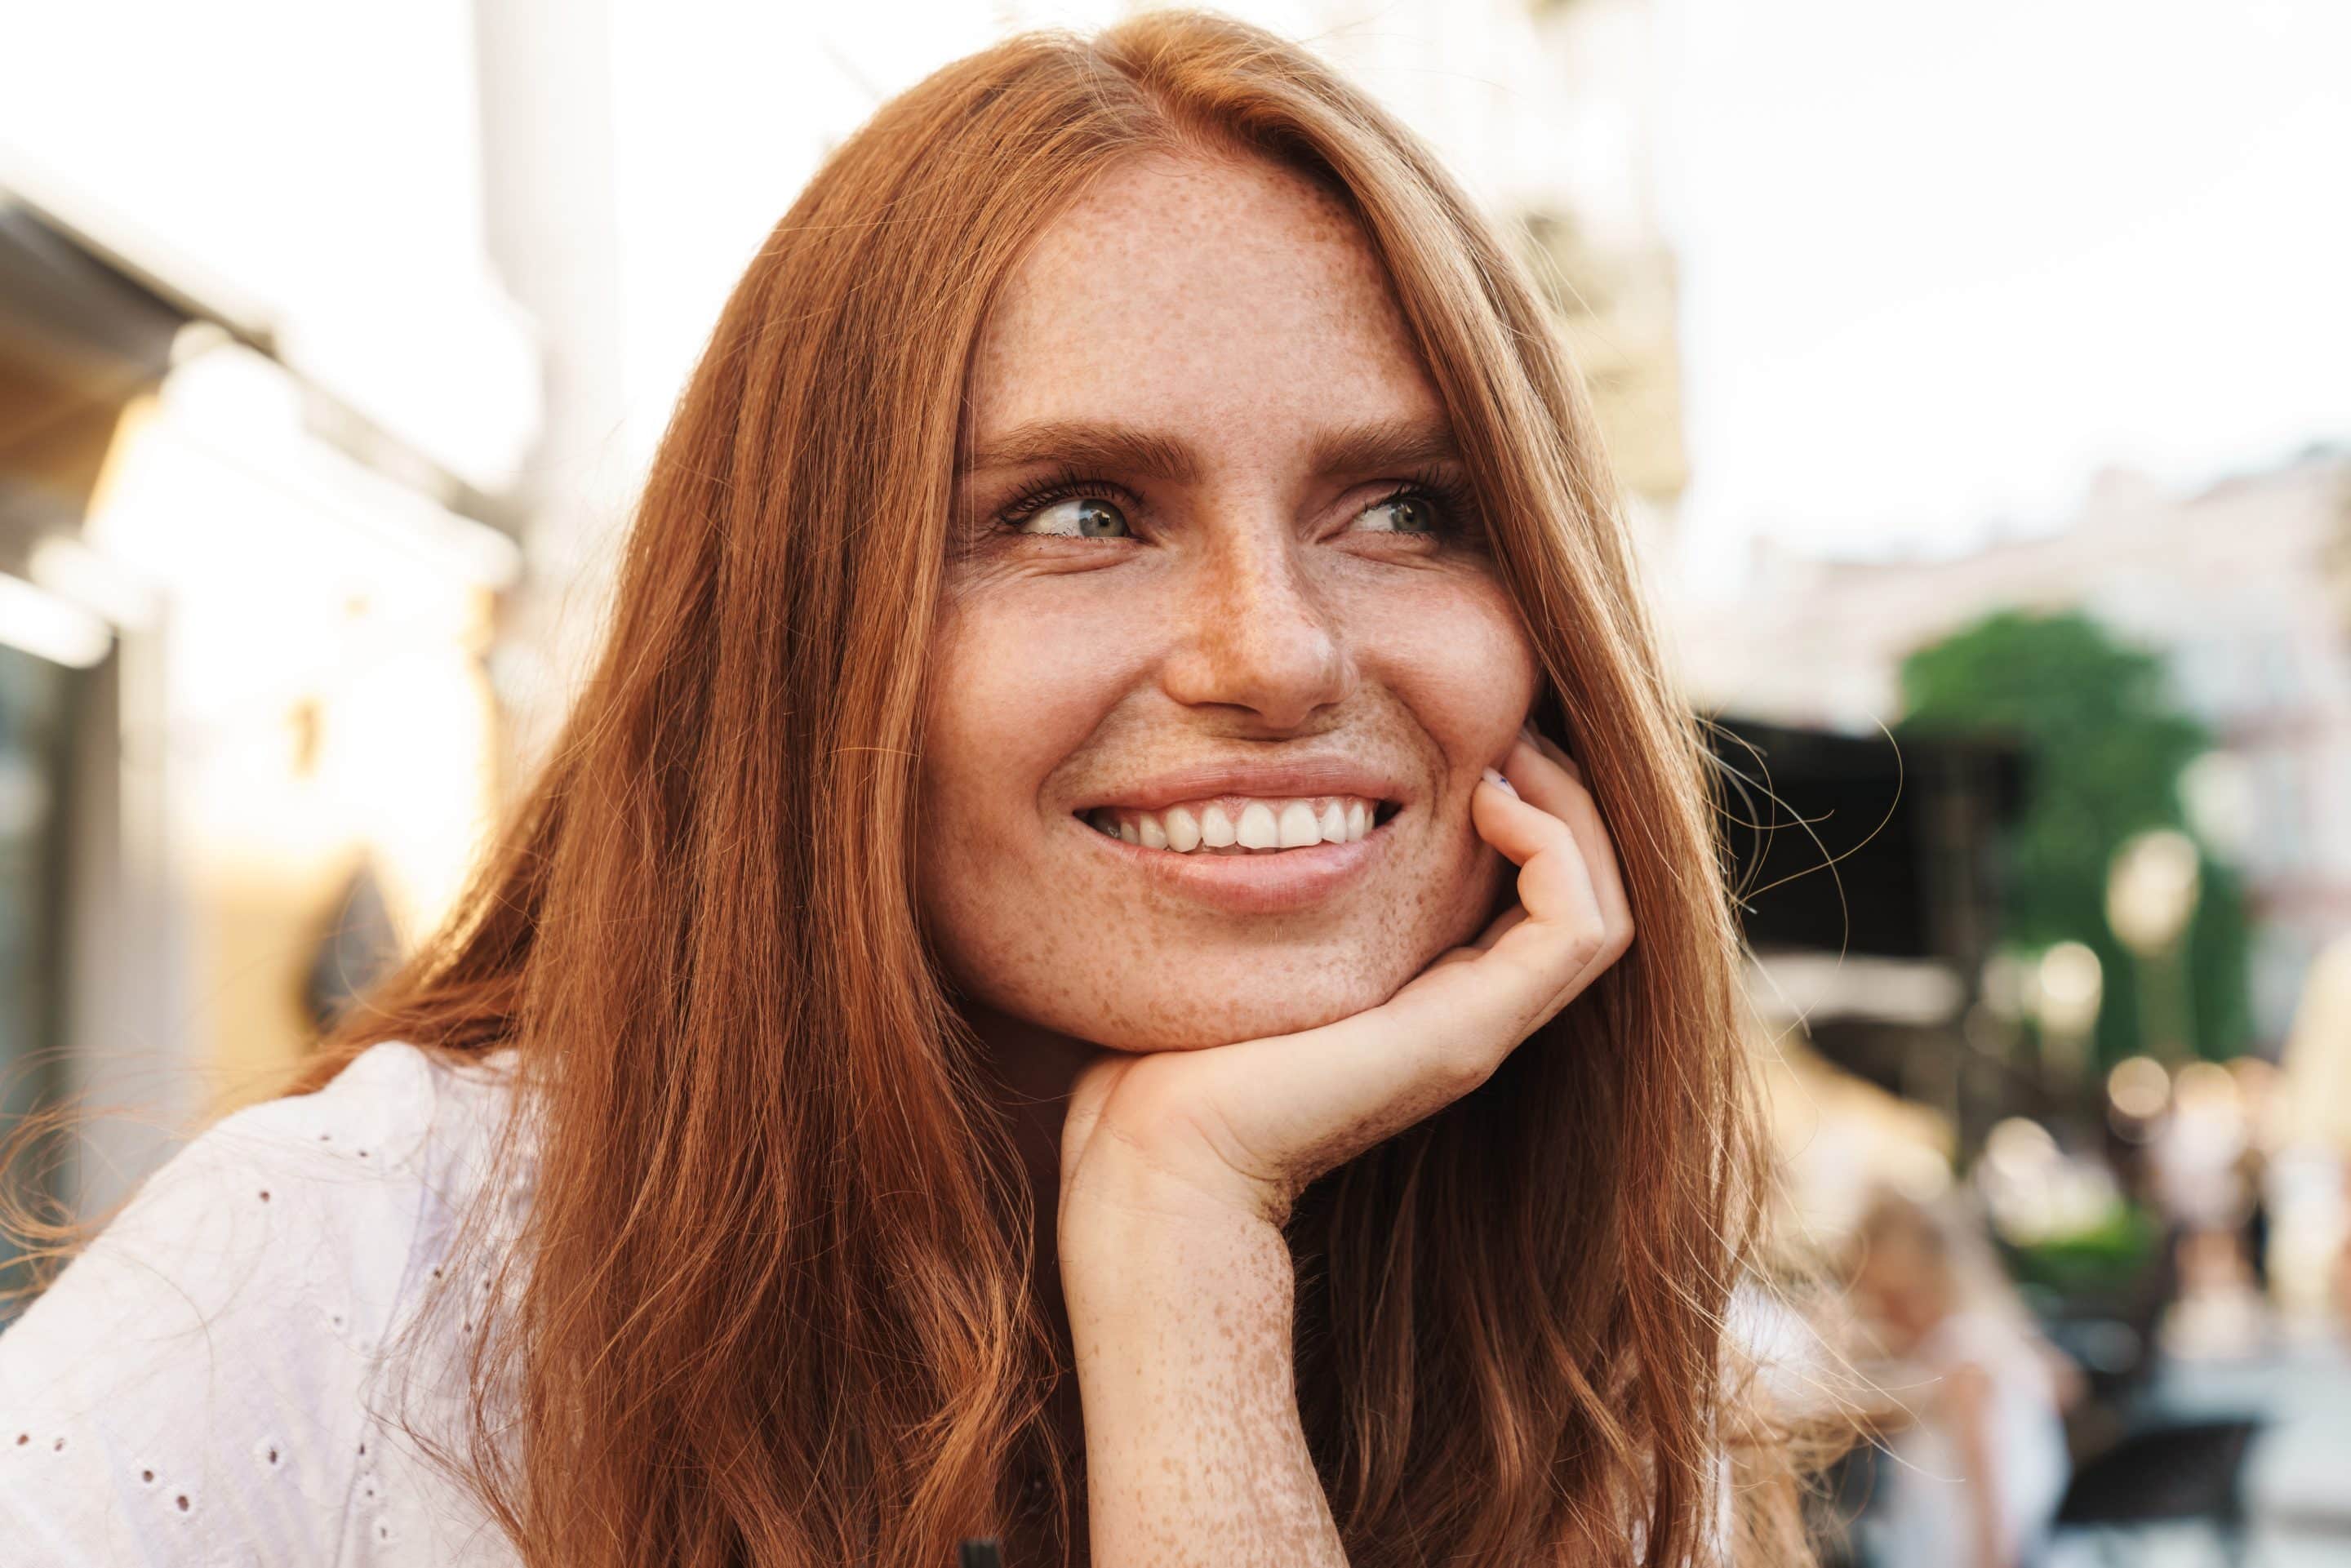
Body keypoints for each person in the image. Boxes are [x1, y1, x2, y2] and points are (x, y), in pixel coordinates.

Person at [0, 11, 1815, 1564]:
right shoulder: (349, 1276)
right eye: (1081, 512)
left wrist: (1185, 1247)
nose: (1275, 655)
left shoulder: (1578, 1375)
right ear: (801, 633)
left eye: (1406, 508)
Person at [1842, 1192, 2070, 1568]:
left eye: (1893, 1300)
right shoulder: (1986, 1335)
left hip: (1957, 1546)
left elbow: (1984, 1470)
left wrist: (1992, 1553)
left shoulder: (1960, 1353)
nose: (1885, 1317)